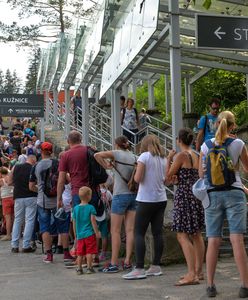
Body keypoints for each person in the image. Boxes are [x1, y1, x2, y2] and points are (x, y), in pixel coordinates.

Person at [199, 111, 248, 298]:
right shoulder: (238, 144)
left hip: (212, 195)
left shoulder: (205, 146)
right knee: (237, 240)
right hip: (235, 193)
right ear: (233, 126)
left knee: (213, 240)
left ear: (216, 123)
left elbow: (201, 176)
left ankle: (210, 286)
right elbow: (247, 168)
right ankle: (244, 286)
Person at [123, 135, 167, 280]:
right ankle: (156, 266)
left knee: (139, 232)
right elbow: (165, 179)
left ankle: (140, 267)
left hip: (146, 199)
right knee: (157, 233)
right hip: (161, 199)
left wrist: (136, 172)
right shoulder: (163, 158)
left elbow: (138, 179)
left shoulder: (144, 156)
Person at [167, 128, 205, 286]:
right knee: (196, 234)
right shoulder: (196, 154)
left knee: (182, 235)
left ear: (179, 140)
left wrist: (168, 158)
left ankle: (191, 274)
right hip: (195, 195)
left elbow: (168, 177)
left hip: (184, 197)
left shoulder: (181, 155)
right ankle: (199, 271)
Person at [94, 135, 137, 273]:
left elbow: (97, 155)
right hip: (133, 195)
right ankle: (128, 262)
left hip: (119, 195)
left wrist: (106, 165)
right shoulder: (135, 157)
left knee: (115, 231)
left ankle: (113, 263)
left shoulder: (116, 154)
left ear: (117, 145)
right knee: (130, 230)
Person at [29, 142, 58, 263]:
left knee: (44, 227)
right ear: (51, 151)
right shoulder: (58, 163)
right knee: (62, 226)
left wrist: (40, 190)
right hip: (57, 199)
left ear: (41, 151)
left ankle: (49, 254)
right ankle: (66, 251)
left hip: (42, 200)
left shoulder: (36, 166)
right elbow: (66, 180)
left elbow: (31, 186)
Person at [9, 155, 38, 253]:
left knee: (17, 220)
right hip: (31, 196)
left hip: (18, 196)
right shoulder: (33, 168)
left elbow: (9, 181)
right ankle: (26, 245)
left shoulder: (16, 167)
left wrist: (17, 185)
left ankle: (14, 245)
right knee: (29, 220)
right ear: (34, 161)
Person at [73, 186, 100, 275]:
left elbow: (74, 222)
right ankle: (89, 267)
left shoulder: (76, 208)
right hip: (89, 234)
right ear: (88, 196)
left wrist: (75, 235)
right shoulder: (91, 207)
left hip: (80, 235)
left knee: (80, 252)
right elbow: (93, 221)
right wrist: (97, 232)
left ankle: (79, 268)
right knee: (89, 251)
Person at [0, 167, 14, 241]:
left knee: (7, 218)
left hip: (5, 199)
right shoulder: (11, 179)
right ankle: (12, 233)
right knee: (12, 218)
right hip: (13, 198)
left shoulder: (2, 180)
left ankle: (8, 235)